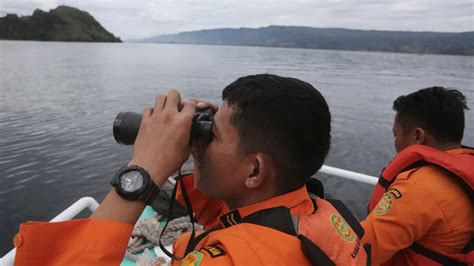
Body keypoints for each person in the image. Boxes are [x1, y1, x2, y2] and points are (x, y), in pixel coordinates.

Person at [14, 74, 369, 265]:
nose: (197, 142)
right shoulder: (318, 212)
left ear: (254, 171)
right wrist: (184, 146)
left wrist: (144, 170)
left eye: (209, 135)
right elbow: (237, 211)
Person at [362, 87, 474, 265]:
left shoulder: (419, 188)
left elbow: (359, 252)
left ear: (417, 136)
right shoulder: (468, 168)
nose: (395, 142)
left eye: (395, 135)